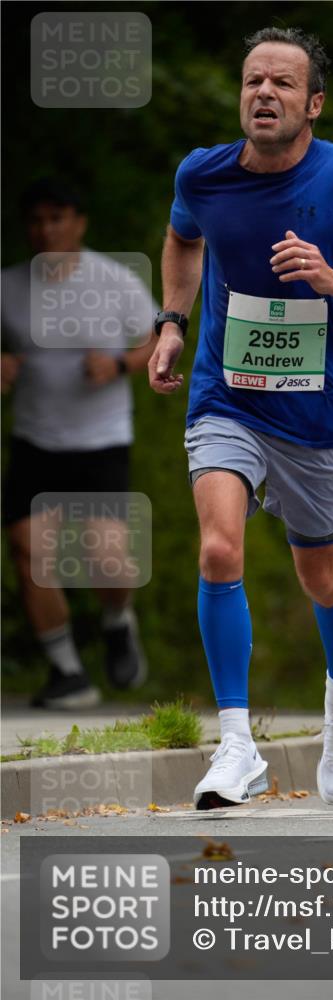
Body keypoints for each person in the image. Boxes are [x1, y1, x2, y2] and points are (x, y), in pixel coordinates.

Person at [148, 27, 333, 809]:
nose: (263, 92)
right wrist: (171, 321)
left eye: (281, 83)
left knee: (318, 573)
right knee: (217, 548)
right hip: (225, 397)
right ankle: (236, 746)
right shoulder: (203, 174)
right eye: (252, 81)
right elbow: (181, 239)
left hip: (314, 415)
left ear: (314, 104)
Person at [1, 178, 156, 708]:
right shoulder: (8, 287)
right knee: (29, 552)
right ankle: (68, 672)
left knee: (105, 558)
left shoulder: (113, 281)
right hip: (35, 440)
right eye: (36, 220)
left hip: (100, 441)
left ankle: (117, 619)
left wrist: (119, 365)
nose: (46, 230)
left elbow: (159, 337)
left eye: (57, 218)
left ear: (79, 223)